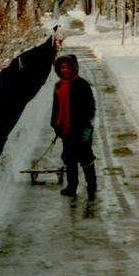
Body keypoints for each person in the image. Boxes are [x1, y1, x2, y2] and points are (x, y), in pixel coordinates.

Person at [50, 53, 97, 199]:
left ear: (74, 69)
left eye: (68, 67)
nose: (65, 70)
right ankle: (72, 187)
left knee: (85, 157)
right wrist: (55, 125)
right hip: (66, 129)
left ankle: (91, 185)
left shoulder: (82, 85)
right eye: (62, 67)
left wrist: (86, 125)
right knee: (69, 159)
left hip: (81, 129)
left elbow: (91, 107)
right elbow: (56, 108)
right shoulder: (58, 86)